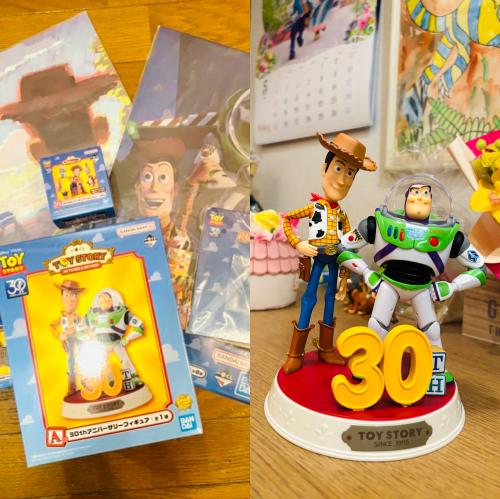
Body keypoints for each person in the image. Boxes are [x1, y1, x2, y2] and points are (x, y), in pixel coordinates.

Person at [339, 176, 487, 349]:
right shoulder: (377, 224)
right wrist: (365, 272)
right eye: (415, 192)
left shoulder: (451, 236)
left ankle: (433, 364)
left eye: (425, 193)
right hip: (388, 285)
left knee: (431, 332)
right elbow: (343, 248)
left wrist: (453, 286)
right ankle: (372, 359)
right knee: (377, 327)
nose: (420, 198)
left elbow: (479, 269)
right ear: (406, 197)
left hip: (422, 290)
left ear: (431, 200)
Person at [281, 132, 377, 373]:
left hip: (336, 259)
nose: (342, 180)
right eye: (338, 169)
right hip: (318, 257)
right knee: (309, 297)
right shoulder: (314, 207)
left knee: (331, 299)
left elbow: (349, 246)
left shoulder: (343, 216)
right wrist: (297, 243)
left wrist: (345, 278)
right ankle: (295, 353)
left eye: (350, 174)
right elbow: (287, 219)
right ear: (325, 168)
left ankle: (326, 348)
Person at [50, 280, 86, 396]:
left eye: (73, 295)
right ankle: (72, 386)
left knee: (82, 356)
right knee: (70, 360)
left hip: (79, 338)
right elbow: (52, 326)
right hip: (68, 340)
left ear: (77, 298)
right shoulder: (62, 317)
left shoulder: (78, 316)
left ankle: (86, 380)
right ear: (62, 298)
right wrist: (59, 335)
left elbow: (86, 326)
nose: (70, 299)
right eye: (66, 295)